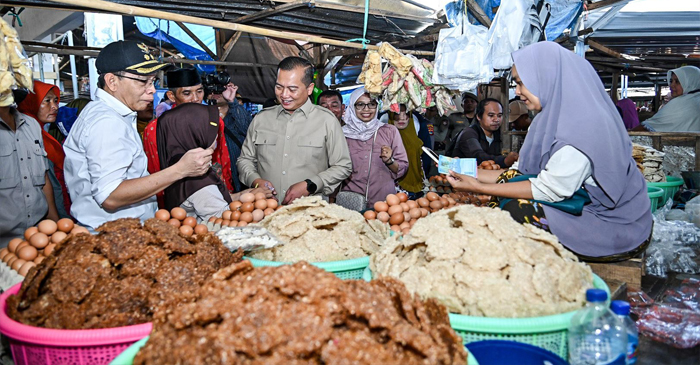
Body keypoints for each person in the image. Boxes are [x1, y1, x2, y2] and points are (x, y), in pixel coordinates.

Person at [447, 41, 652, 261]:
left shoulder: (585, 124)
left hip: (612, 224)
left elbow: (550, 188)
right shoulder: (548, 118)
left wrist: (477, 186)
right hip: (581, 201)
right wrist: (463, 172)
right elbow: (518, 172)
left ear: (545, 77)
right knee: (509, 192)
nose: (517, 91)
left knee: (516, 210)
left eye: (521, 83)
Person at [63, 41, 212, 231]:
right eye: (143, 81)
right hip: (116, 237)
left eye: (152, 81)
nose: (151, 89)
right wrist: (181, 170)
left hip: (124, 232)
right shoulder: (106, 122)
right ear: (112, 81)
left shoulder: (115, 116)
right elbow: (111, 196)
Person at [237, 56, 352, 204]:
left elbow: (343, 166)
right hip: (267, 210)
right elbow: (245, 160)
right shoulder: (261, 119)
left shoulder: (326, 121)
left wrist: (310, 185)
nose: (284, 95)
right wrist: (256, 181)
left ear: (309, 89)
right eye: (279, 87)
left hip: (309, 212)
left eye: (292, 89)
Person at [157, 103, 271, 222]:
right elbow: (224, 218)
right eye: (211, 130)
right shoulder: (196, 176)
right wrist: (253, 202)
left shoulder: (180, 164)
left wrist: (247, 194)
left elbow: (215, 198)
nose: (217, 135)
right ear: (196, 133)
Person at [142, 67, 233, 208]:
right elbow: (155, 169)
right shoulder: (155, 128)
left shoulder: (214, 121)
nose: (196, 99)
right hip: (175, 200)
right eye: (187, 93)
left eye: (199, 91)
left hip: (212, 195)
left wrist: (227, 192)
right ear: (172, 96)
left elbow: (221, 159)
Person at [0, 89, 59, 247]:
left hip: (38, 233)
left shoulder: (31, 124)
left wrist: (55, 222)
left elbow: (44, 178)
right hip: (4, 241)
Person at [341, 87, 408, 207]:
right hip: (351, 201)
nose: (366, 109)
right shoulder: (341, 134)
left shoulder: (389, 131)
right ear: (351, 106)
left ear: (377, 106)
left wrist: (389, 161)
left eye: (371, 104)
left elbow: (402, 168)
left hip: (383, 201)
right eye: (360, 104)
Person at [17, 80, 71, 219]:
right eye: (46, 101)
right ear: (31, 102)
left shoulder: (42, 134)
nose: (54, 107)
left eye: (55, 100)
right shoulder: (26, 135)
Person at [208, 83, 252, 193]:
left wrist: (232, 101)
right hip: (214, 176)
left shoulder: (237, 114)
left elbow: (247, 129)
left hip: (238, 175)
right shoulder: (202, 117)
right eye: (212, 90)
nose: (216, 94)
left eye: (220, 90)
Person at [449, 98, 518, 168]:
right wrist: (505, 160)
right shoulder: (468, 133)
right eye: (491, 115)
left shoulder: (496, 134)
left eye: (499, 115)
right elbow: (478, 156)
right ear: (479, 116)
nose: (496, 119)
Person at [635, 66, 700, 132]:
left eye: (677, 82)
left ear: (690, 82)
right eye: (671, 81)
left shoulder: (680, 104)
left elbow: (648, 127)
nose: (671, 85)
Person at [388, 105, 425, 199]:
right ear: (391, 116)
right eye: (397, 113)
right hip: (392, 191)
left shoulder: (415, 139)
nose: (402, 118)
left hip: (416, 189)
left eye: (407, 114)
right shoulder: (384, 140)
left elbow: (419, 165)